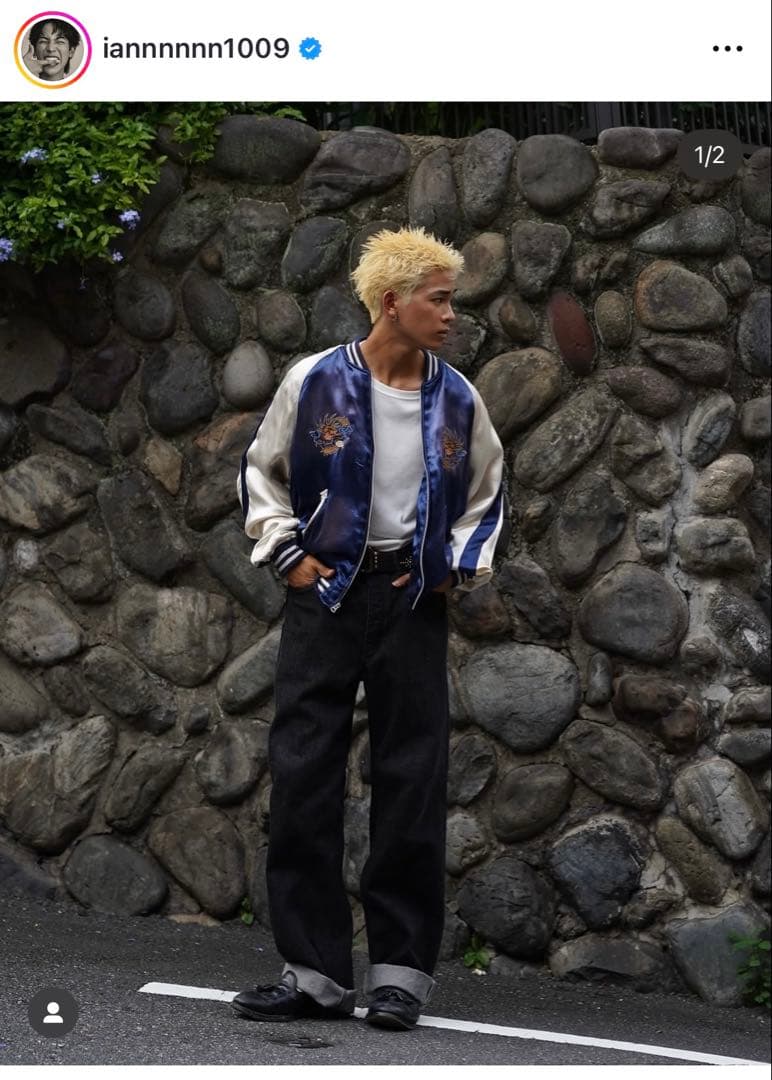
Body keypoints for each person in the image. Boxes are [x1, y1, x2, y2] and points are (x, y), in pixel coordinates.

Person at [234, 226, 504, 1031]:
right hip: (326, 595)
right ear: (392, 302)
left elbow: (488, 490)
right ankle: (314, 973)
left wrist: (455, 567)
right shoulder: (315, 380)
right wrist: (287, 556)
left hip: (411, 597)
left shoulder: (458, 397)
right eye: (439, 300)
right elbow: (262, 471)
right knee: (304, 775)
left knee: (412, 779)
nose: (451, 315)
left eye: (451, 301)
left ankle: (398, 978)